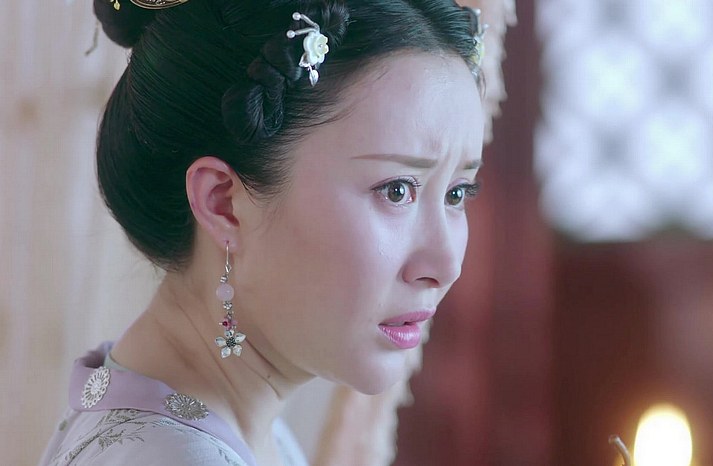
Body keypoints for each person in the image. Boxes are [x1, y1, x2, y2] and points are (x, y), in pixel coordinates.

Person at [39, 0, 484, 465]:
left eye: (458, 193)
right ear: (223, 203)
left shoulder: (221, 424)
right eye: (396, 190)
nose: (446, 265)